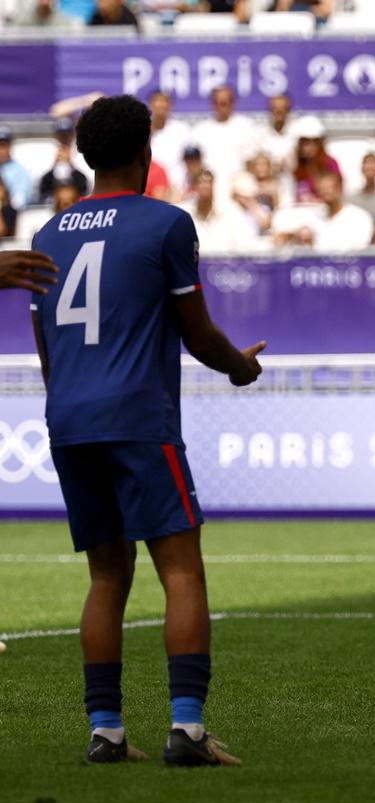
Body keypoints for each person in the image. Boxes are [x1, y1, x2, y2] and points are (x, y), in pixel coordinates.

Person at [29, 94, 264, 766]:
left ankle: (106, 732)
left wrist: (73, 404)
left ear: (83, 155)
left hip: (70, 418)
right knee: (180, 569)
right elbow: (197, 333)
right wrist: (240, 367)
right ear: (146, 154)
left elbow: (48, 348)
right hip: (138, 416)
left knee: (106, 577)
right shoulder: (166, 224)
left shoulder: (49, 235)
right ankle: (187, 732)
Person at [0, 126, 34, 210]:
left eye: (3, 145)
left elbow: (19, 202)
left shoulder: (20, 171)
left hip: (9, 217)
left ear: (10, 147)